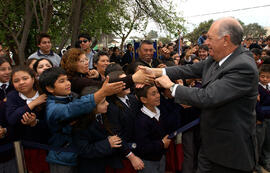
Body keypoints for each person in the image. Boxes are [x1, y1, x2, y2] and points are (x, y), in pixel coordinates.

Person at [150, 17, 258, 172]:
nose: (205, 42)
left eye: (209, 38)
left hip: (229, 153)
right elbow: (188, 70)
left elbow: (208, 97)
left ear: (226, 40)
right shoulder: (216, 58)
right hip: (209, 147)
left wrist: (172, 87)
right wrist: (158, 71)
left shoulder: (243, 66)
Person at [39, 67, 126, 173]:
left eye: (67, 79)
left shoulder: (73, 96)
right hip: (63, 159)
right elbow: (73, 108)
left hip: (80, 157)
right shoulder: (53, 109)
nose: (68, 83)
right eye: (62, 81)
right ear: (50, 88)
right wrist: (101, 93)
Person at [6, 66, 49, 173]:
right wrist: (33, 103)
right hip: (25, 147)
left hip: (46, 145)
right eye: (16, 81)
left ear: (33, 79)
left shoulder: (44, 94)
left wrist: (35, 122)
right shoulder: (13, 96)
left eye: (25, 78)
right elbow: (11, 119)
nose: (21, 82)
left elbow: (51, 123)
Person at [255, 64, 270, 173]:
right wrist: (259, 118)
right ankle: (255, 163)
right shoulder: (256, 89)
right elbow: (256, 105)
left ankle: (266, 161)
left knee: (268, 142)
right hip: (260, 120)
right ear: (258, 76)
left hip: (269, 119)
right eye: (262, 76)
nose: (265, 79)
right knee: (258, 142)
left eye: (268, 77)